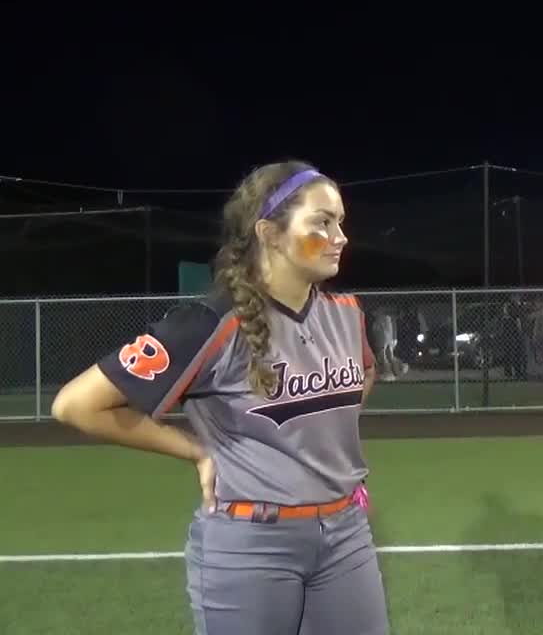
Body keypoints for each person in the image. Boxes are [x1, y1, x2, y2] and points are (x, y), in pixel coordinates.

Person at [50, 161, 390, 635]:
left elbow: (364, 373)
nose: (341, 237)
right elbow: (75, 405)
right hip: (251, 543)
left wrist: (322, 443)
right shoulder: (209, 323)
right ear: (270, 233)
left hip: (346, 536)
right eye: (323, 222)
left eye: (340, 223)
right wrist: (197, 450)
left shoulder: (347, 313)